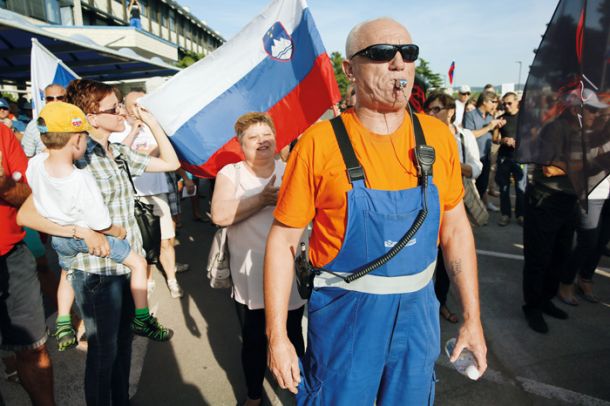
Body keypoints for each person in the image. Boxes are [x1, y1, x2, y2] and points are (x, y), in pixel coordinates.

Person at [264, 18, 487, 404]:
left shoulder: (436, 137)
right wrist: (277, 335)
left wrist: (472, 318)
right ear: (349, 70)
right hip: (344, 320)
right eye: (381, 54)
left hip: (418, 319)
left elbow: (455, 229)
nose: (399, 63)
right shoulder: (319, 143)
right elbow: (282, 241)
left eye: (408, 53)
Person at [17, 78, 180, 405]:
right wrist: (82, 232)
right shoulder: (76, 156)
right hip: (96, 273)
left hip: (126, 265)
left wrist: (150, 122)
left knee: (122, 346)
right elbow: (28, 215)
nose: (122, 112)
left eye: (120, 105)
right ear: (91, 117)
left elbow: (172, 164)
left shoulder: (117, 152)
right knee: (103, 355)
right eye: (114, 108)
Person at [27, 101, 172, 348]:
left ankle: (63, 321)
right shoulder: (80, 177)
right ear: (77, 141)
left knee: (66, 273)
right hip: (90, 239)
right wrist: (120, 231)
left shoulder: (35, 165)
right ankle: (143, 317)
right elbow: (101, 223)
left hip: (61, 239)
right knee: (138, 263)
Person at [211, 112, 305, 406]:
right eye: (253, 137)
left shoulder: (291, 169)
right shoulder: (232, 174)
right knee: (253, 339)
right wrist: (263, 199)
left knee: (292, 334)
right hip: (249, 274)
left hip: (288, 272)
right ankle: (253, 395)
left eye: (267, 135)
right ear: (241, 144)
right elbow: (220, 216)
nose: (262, 141)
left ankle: (298, 388)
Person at [521, 90, 607, 334]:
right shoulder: (555, 129)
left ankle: (546, 299)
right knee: (539, 257)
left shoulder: (582, 132)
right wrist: (587, 163)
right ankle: (533, 307)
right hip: (545, 200)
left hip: (567, 200)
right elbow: (548, 169)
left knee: (559, 255)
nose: (596, 114)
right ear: (575, 109)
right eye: (592, 109)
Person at [111, 89, 186, 298]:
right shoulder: (118, 129)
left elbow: (169, 156)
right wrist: (135, 131)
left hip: (157, 191)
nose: (137, 110)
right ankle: (148, 279)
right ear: (124, 107)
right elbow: (119, 155)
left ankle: (172, 279)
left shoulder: (156, 127)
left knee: (166, 240)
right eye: (133, 105)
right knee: (143, 244)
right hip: (133, 196)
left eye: (141, 105)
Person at [0, 123, 55, 406]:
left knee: (33, 349)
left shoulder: (1, 133)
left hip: (12, 256)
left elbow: (28, 196)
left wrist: (5, 185)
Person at [425, 91, 482, 324]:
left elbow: (476, 168)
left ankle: (441, 302)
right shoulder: (421, 133)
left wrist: (451, 165)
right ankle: (428, 303)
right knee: (428, 259)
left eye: (436, 109)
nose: (431, 113)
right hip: (429, 206)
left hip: (456, 201)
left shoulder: (464, 136)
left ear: (450, 111)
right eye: (428, 109)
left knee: (451, 257)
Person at [464, 90, 504, 212]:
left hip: (485, 156)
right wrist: (489, 127)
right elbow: (469, 135)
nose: (495, 105)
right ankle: (471, 212)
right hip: (473, 157)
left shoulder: (490, 117)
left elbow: (495, 139)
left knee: (483, 185)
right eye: (493, 102)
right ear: (484, 101)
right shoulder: (470, 115)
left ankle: (479, 209)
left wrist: (497, 128)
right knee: (472, 187)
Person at [496, 92, 524, 226]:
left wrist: (519, 142)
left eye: (509, 103)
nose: (506, 106)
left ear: (517, 102)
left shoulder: (526, 118)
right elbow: (494, 139)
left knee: (521, 188)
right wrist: (503, 140)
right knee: (504, 188)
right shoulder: (501, 119)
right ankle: (505, 214)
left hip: (521, 158)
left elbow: (534, 136)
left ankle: (521, 215)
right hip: (504, 157)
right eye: (504, 103)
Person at [21, 84, 67, 158]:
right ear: (45, 100)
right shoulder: (33, 125)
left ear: (66, 99)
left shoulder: (76, 121)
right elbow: (27, 156)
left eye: (60, 98)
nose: (55, 101)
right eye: (50, 98)